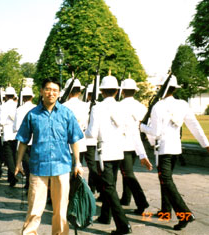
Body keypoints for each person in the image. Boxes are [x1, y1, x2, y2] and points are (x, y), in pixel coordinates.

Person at [15, 77, 84, 235]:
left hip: (62, 166)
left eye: (54, 90)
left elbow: (74, 139)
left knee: (60, 210)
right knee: (34, 209)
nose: (51, 93)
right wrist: (18, 163)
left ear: (59, 94)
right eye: (47, 89)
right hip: (38, 166)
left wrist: (78, 163)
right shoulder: (32, 115)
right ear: (41, 91)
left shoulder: (67, 114)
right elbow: (23, 140)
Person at [140, 75, 209, 231]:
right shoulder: (182, 104)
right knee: (166, 180)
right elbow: (194, 125)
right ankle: (165, 211)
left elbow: (155, 132)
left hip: (163, 149)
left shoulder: (158, 106)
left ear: (160, 88)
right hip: (176, 149)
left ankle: (184, 214)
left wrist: (142, 127)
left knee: (166, 181)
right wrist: (206, 144)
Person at [85, 73, 132, 235]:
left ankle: (123, 224)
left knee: (109, 187)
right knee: (109, 186)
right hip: (118, 151)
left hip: (103, 152)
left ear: (102, 91)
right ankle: (105, 216)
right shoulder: (122, 107)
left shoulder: (97, 108)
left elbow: (91, 133)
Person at [119, 78, 152, 215]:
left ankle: (141, 202)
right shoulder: (140, 106)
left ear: (122, 92)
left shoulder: (118, 106)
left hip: (124, 143)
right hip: (135, 144)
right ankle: (126, 198)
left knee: (128, 174)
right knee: (127, 173)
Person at [13, 86, 36, 190]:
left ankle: (28, 181)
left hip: (24, 140)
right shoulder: (36, 108)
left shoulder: (19, 109)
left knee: (26, 163)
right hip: (35, 140)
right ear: (32, 97)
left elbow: (16, 127)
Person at [0, 86, 18, 186]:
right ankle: (10, 177)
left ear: (6, 96)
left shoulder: (3, 106)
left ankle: (13, 175)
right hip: (16, 134)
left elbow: (1, 121)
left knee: (9, 156)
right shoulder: (17, 105)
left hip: (7, 134)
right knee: (14, 155)